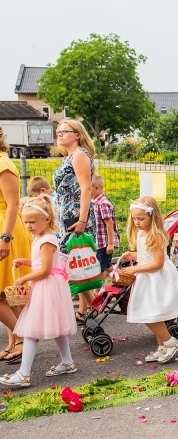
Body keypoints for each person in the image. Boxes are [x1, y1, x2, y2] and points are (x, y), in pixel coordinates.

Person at [0, 197, 75, 388]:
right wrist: (26, 262)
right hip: (45, 285)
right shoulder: (40, 238)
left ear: (47, 219)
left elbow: (46, 270)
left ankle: (24, 374)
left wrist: (25, 277)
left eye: (32, 222)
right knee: (56, 326)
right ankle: (67, 362)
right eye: (25, 222)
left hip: (47, 285)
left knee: (31, 330)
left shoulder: (48, 240)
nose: (28, 226)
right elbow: (42, 263)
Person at [119, 197, 178, 364]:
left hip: (156, 278)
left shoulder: (155, 235)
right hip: (147, 276)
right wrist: (134, 255)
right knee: (152, 313)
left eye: (141, 219)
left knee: (150, 314)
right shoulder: (143, 233)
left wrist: (135, 268)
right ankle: (162, 346)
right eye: (134, 218)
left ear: (152, 217)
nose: (137, 222)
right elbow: (146, 255)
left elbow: (158, 262)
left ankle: (171, 343)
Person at [53, 119, 96, 323]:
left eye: (64, 131)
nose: (59, 134)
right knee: (74, 265)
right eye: (58, 131)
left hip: (75, 215)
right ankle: (93, 307)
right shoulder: (70, 156)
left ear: (77, 134)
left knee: (72, 265)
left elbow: (85, 188)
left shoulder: (79, 155)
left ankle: (95, 306)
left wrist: (81, 219)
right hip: (67, 214)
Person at [0, 125, 32, 366]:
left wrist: (5, 237)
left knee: (6, 292)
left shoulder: (3, 164)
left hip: (5, 228)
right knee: (6, 292)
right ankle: (15, 341)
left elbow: (13, 204)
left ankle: (24, 336)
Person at [90, 175, 119, 282]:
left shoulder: (103, 204)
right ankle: (123, 281)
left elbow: (109, 224)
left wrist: (110, 243)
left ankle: (100, 291)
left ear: (96, 188)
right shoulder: (95, 202)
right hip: (99, 242)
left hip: (104, 243)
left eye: (88, 189)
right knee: (107, 266)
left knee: (99, 269)